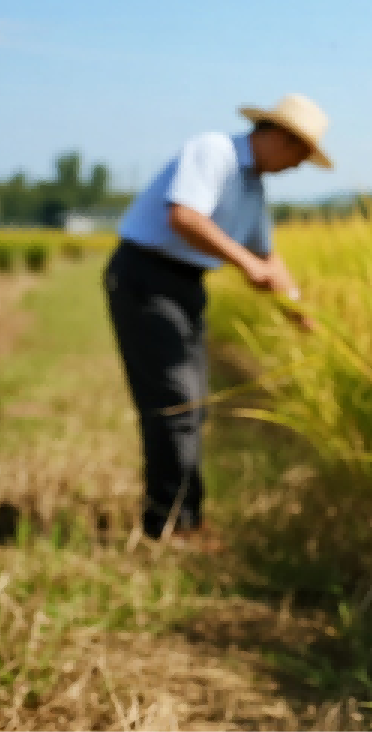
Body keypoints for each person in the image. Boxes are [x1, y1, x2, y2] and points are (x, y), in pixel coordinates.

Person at [104, 94, 331, 544]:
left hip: (187, 284)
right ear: (281, 139)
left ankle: (183, 517)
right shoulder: (214, 152)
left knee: (194, 404)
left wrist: (297, 310)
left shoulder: (253, 188)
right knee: (175, 401)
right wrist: (245, 264)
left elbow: (268, 254)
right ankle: (171, 524)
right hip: (147, 278)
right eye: (300, 156)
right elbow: (184, 217)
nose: (297, 167)